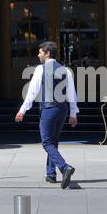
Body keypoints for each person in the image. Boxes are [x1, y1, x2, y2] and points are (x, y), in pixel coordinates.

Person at [15, 41, 78, 188]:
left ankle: (64, 167)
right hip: (62, 110)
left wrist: (23, 110)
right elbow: (72, 93)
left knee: (47, 142)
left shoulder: (40, 69)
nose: (38, 54)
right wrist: (73, 113)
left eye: (40, 52)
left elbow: (32, 91)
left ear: (48, 53)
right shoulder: (66, 70)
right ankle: (51, 174)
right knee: (53, 141)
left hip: (49, 110)